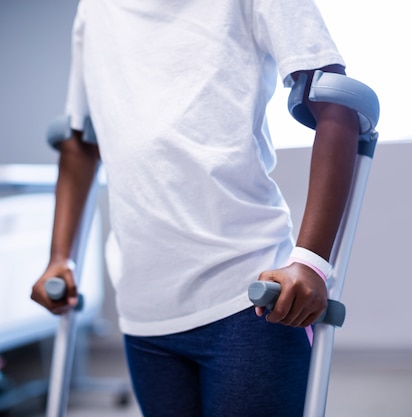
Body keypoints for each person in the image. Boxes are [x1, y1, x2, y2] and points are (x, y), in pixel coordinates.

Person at [31, 1, 360, 416]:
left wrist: (312, 261)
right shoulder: (96, 9)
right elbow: (80, 141)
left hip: (249, 298)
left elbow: (339, 105)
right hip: (144, 307)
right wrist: (59, 257)